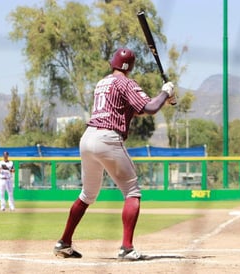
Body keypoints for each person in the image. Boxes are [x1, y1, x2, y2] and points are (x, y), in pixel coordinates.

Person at [53, 48, 175, 260]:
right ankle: (127, 248)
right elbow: (149, 108)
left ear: (113, 62)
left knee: (87, 195)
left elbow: (135, 110)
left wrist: (164, 98)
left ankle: (64, 242)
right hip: (108, 138)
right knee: (132, 191)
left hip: (88, 138)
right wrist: (165, 91)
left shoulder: (102, 83)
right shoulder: (126, 82)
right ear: (132, 66)